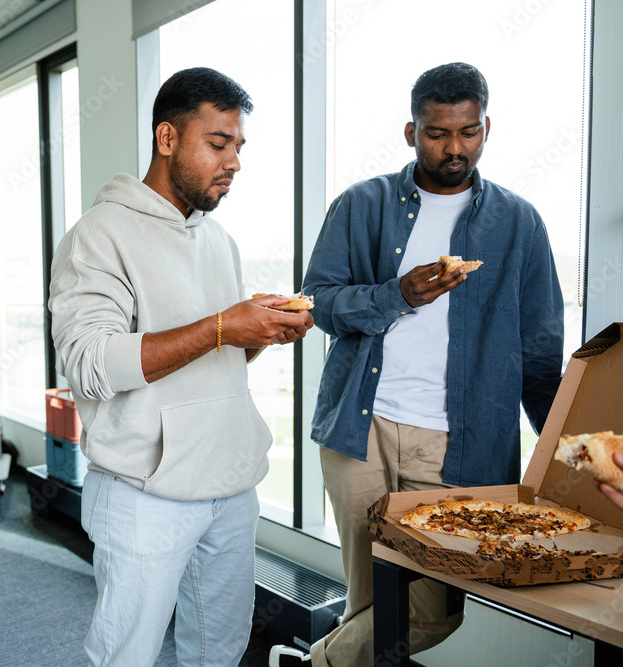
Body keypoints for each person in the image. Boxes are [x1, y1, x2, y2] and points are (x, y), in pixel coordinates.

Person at [300, 62, 564, 666]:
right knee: (369, 603)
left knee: (436, 607)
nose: (453, 148)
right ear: (410, 132)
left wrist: (565, 454)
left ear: (486, 128)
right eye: (436, 133)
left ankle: (319, 663)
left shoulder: (519, 223)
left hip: (459, 446)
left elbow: (541, 352)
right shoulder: (362, 204)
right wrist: (397, 295)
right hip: (358, 429)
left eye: (467, 132)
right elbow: (318, 302)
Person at [48, 67, 314, 666]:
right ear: (167, 139)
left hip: (230, 486)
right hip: (146, 494)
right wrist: (223, 325)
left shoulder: (218, 239)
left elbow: (218, 356)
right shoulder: (98, 235)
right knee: (127, 656)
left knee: (218, 653)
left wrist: (261, 331)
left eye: (239, 147)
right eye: (218, 144)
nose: (234, 162)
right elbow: (89, 364)